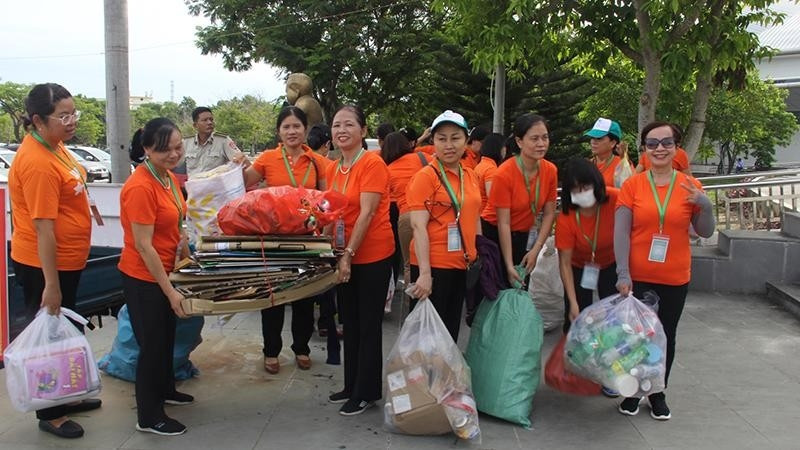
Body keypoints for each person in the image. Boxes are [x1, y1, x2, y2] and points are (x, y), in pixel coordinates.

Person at [9, 83, 101, 439]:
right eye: (63, 116)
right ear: (37, 120)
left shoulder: (55, 146)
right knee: (49, 336)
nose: (72, 120)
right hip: (45, 264)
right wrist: (50, 285)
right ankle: (51, 412)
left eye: (73, 112)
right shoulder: (37, 163)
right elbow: (43, 229)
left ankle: (67, 395)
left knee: (67, 332)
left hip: (67, 259)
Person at [615, 121, 715, 420]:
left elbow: (705, 232)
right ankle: (633, 391)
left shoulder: (690, 186)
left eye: (666, 142)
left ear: (676, 147)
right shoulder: (633, 185)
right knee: (636, 337)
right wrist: (622, 273)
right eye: (652, 143)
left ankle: (657, 392)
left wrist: (706, 206)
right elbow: (620, 233)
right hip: (639, 276)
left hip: (674, 276)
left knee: (665, 336)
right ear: (643, 149)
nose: (659, 149)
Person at [119, 118, 193, 436]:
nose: (174, 154)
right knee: (152, 344)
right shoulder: (140, 186)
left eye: (178, 147)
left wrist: (184, 243)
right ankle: (149, 415)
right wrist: (170, 291)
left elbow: (177, 219)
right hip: (144, 277)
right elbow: (144, 247)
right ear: (147, 149)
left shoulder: (168, 178)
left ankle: (165, 390)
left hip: (167, 269)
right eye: (166, 150)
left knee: (166, 337)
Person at [242, 106, 330, 374]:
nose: (292, 131)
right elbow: (243, 184)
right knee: (273, 297)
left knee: (303, 297)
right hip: (273, 240)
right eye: (286, 127)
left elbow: (326, 199)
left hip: (306, 239)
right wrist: (239, 165)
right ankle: (271, 351)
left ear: (305, 129)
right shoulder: (268, 158)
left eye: (297, 126)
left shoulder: (317, 161)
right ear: (279, 131)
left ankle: (301, 348)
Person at [326, 105, 394, 416]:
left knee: (368, 325)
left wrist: (349, 256)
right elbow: (331, 212)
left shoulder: (373, 164)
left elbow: (366, 213)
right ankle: (351, 384)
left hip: (372, 255)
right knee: (348, 322)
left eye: (349, 124)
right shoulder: (333, 167)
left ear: (363, 131)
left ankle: (366, 392)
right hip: (343, 255)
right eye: (337, 125)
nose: (341, 130)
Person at [407, 110, 482, 342]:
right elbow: (418, 227)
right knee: (426, 341)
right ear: (433, 142)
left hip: (461, 265)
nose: (449, 145)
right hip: (434, 266)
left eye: (455, 137)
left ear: (466, 141)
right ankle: (425, 380)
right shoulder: (425, 177)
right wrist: (425, 274)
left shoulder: (469, 175)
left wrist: (479, 255)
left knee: (448, 336)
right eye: (442, 138)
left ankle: (443, 379)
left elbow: (474, 215)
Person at [555, 158, 621, 398]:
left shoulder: (615, 200)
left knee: (612, 321)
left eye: (585, 187)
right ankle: (576, 367)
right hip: (578, 267)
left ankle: (610, 373)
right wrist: (573, 303)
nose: (581, 193)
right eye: (575, 189)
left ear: (596, 184)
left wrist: (625, 273)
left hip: (610, 263)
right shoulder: (566, 216)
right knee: (577, 318)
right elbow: (564, 262)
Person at [481, 113, 558, 286]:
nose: (541, 144)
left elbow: (549, 213)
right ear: (519, 142)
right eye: (534, 139)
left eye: (545, 138)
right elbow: (503, 223)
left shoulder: (550, 170)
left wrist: (536, 248)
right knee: (496, 288)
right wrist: (508, 265)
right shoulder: (504, 173)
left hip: (524, 235)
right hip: (495, 234)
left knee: (520, 287)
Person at [383, 131, 433, 285]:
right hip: (431, 214)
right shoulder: (423, 157)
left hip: (406, 217)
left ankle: (412, 303)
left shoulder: (387, 170)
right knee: (434, 260)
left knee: (409, 264)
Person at [178, 106, 248, 179]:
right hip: (193, 187)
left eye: (211, 119)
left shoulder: (223, 141)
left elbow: (242, 160)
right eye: (205, 120)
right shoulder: (186, 143)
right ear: (195, 125)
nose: (209, 122)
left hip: (217, 188)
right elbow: (174, 164)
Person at [584, 117, 630, 187]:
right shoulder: (586, 165)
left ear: (613, 143)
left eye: (599, 138)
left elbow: (628, 192)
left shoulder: (622, 165)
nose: (593, 142)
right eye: (592, 138)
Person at [473, 132, 505, 213]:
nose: (505, 150)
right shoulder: (491, 169)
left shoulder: (480, 165)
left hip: (477, 213)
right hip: (486, 217)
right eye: (504, 146)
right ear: (498, 148)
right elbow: (493, 197)